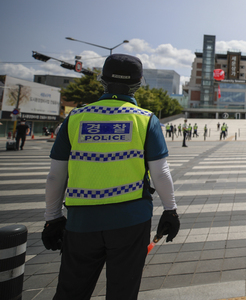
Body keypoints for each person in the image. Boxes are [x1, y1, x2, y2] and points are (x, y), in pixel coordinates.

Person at [42, 54, 180, 300]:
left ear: (102, 80)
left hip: (81, 222)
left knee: (70, 292)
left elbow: (55, 176)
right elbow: (160, 172)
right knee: (122, 293)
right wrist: (170, 210)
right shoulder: (145, 119)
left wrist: (52, 218)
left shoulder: (74, 118)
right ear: (139, 83)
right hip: (131, 221)